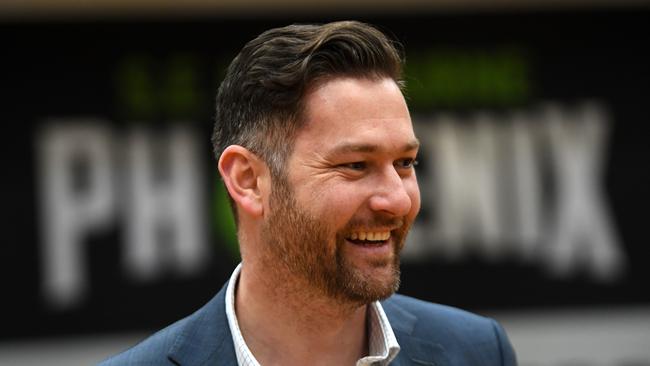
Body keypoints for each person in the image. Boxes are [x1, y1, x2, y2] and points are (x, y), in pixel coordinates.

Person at [100, 20, 517, 366]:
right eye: (356, 165)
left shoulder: (478, 352)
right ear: (247, 179)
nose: (398, 200)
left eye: (405, 163)